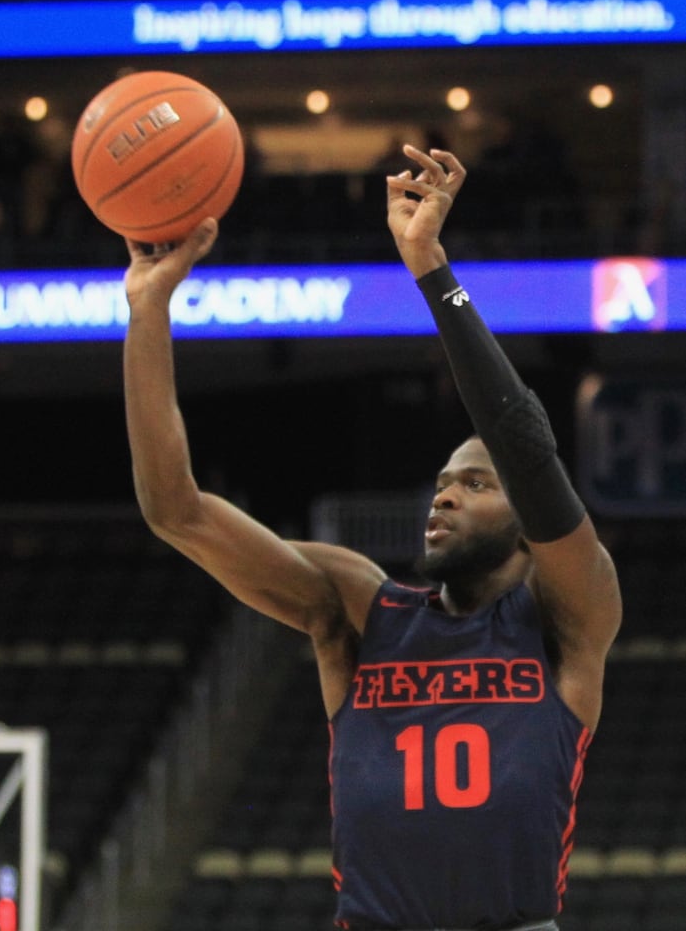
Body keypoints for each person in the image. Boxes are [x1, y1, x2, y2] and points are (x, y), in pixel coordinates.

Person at [122, 145, 621, 930]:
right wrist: (147, 312)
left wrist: (429, 269)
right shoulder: (359, 609)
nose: (446, 496)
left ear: (527, 522)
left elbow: (520, 438)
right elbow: (174, 511)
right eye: (442, 484)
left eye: (476, 485)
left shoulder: (566, 622)